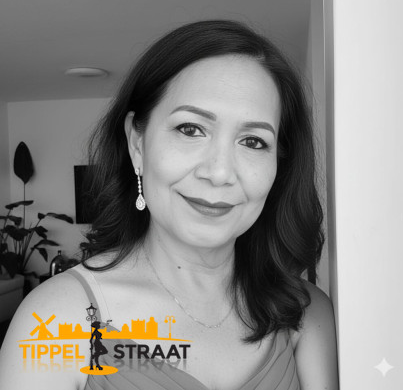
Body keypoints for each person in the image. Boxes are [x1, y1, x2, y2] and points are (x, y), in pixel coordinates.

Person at [0, 20, 338, 389]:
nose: (220, 172)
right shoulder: (56, 321)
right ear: (137, 144)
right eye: (190, 129)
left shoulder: (307, 314)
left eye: (253, 141)